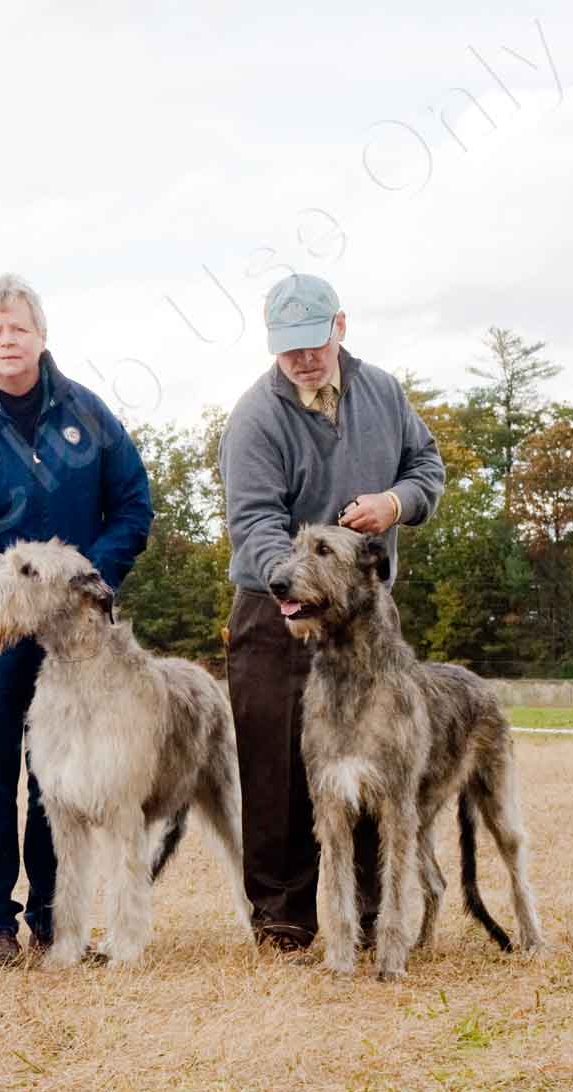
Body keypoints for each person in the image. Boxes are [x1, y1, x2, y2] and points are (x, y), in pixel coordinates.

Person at [218, 274, 445, 952]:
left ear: (339, 327)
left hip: (368, 611)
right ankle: (283, 920)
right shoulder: (255, 416)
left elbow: (426, 465)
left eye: (313, 344)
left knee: (378, 759)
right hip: (275, 609)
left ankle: (378, 916)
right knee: (279, 772)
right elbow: (253, 520)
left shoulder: (384, 393)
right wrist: (296, 585)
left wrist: (395, 503)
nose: (302, 360)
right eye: (288, 350)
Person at [0, 275, 154, 965]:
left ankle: (58, 920)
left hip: (77, 630)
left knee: (62, 776)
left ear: (40, 335)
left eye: (18, 327)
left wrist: (89, 575)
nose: (7, 340)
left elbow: (134, 505)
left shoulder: (87, 414)